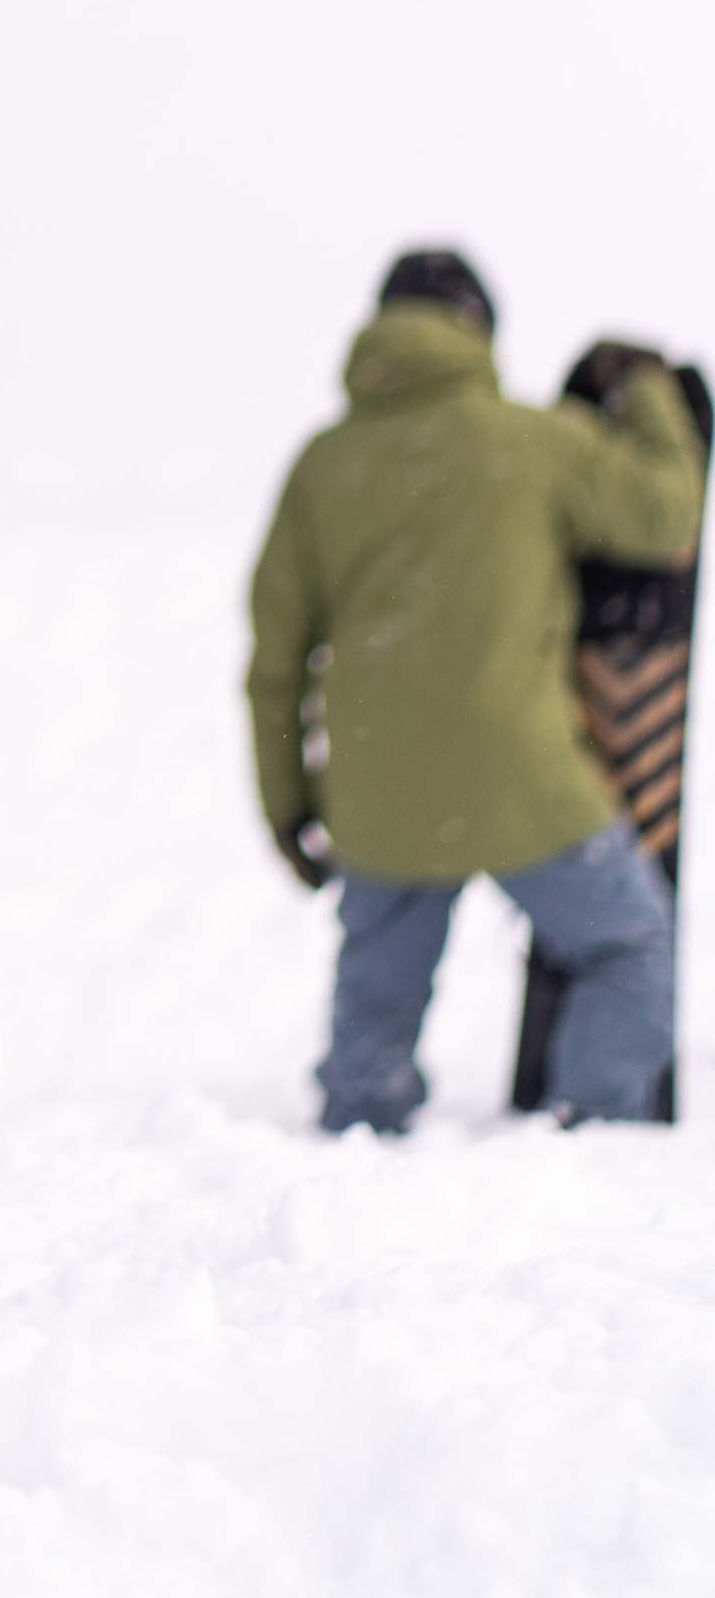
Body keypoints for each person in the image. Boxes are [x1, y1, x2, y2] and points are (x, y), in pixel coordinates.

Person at [248, 245, 705, 1135]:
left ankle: (360, 1135)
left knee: (376, 1003)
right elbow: (665, 513)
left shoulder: (322, 466)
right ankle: (596, 1128)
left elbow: (275, 662)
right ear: (477, 332)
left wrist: (288, 805)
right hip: (521, 781)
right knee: (629, 943)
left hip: (380, 794)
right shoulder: (529, 439)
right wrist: (647, 389)